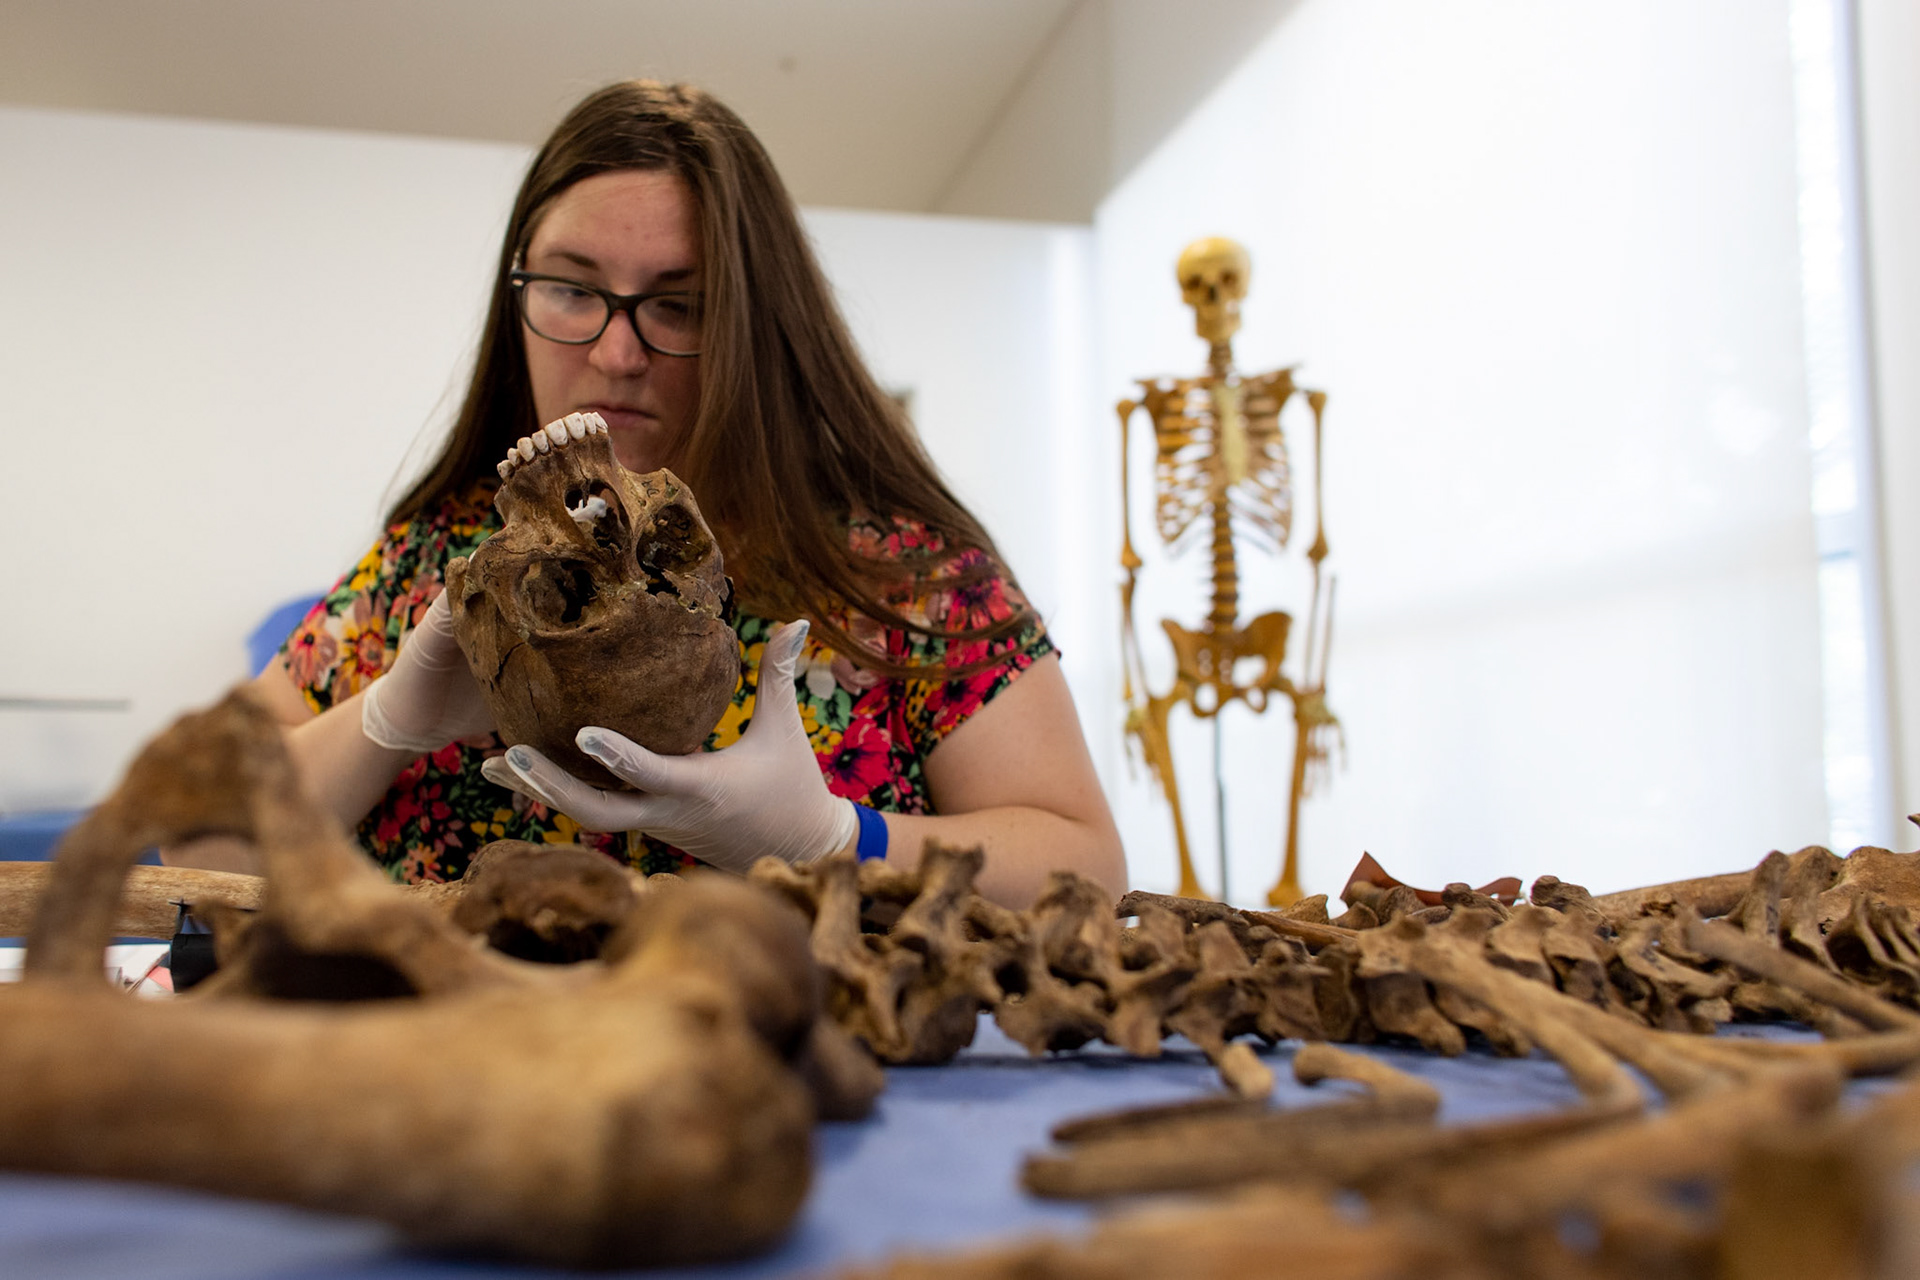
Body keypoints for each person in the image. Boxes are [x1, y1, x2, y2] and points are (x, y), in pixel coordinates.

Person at [198, 80, 1125, 909]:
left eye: (679, 305)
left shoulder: (906, 576)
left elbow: (1084, 866)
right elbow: (200, 838)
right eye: (570, 289)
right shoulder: (431, 561)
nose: (614, 354)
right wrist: (381, 724)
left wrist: (840, 840)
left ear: (758, 328)